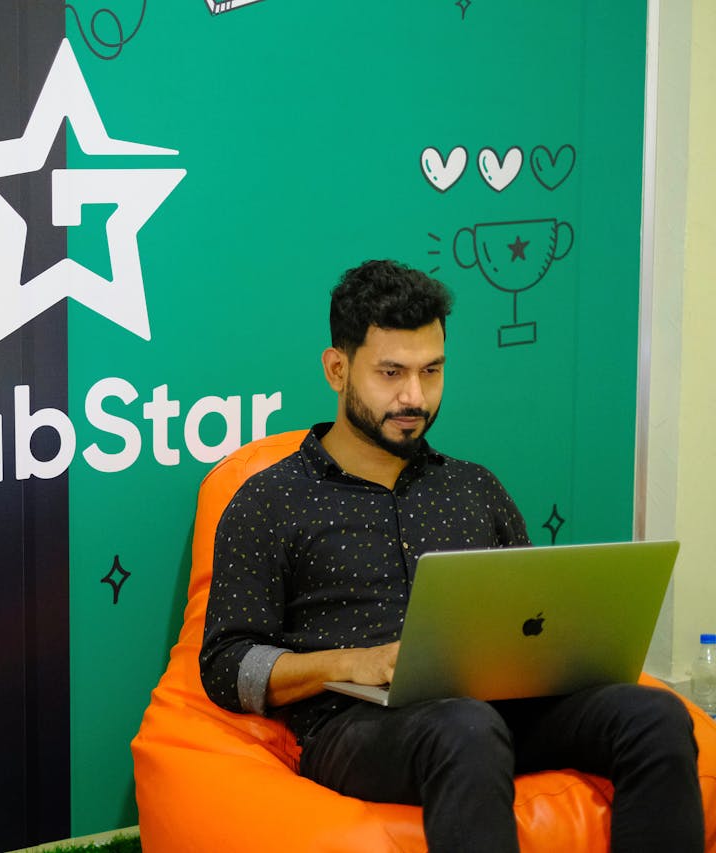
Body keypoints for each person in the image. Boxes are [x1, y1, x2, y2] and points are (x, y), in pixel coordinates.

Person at [198, 259, 703, 852]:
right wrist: (351, 663)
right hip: (357, 727)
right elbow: (226, 665)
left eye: (431, 371)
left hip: (500, 709)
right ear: (337, 369)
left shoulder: (474, 488)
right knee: (465, 728)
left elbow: (532, 621)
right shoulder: (271, 499)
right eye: (391, 373)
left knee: (656, 715)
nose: (414, 396)